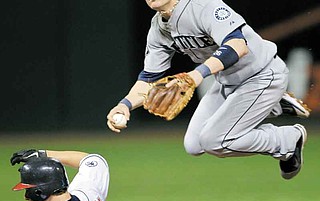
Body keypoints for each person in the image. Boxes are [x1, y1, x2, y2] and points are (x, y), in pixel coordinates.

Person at [107, 0, 309, 179]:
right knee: (194, 145)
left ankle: (288, 140)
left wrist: (196, 75)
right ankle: (274, 105)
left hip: (262, 75)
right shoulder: (158, 28)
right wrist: (124, 105)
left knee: (215, 141)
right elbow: (149, 78)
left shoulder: (204, 5)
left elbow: (238, 46)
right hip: (228, 82)